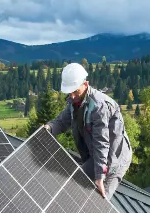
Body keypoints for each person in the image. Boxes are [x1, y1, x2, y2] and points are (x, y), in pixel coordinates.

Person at [46, 62, 132, 200]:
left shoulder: (99, 107)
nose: (72, 95)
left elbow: (102, 143)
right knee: (75, 184)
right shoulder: (76, 102)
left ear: (85, 84)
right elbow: (62, 121)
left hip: (113, 158)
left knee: (99, 199)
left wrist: (99, 176)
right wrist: (49, 128)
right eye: (70, 92)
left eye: (75, 91)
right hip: (97, 155)